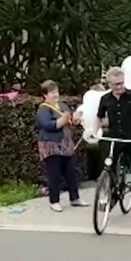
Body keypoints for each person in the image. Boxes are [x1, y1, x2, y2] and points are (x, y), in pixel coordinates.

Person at [93, 67, 131, 223]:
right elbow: (99, 118)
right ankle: (112, 196)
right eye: (115, 84)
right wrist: (94, 132)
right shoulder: (105, 99)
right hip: (114, 139)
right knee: (109, 168)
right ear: (109, 84)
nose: (119, 87)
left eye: (121, 83)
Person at [37, 80, 88, 212]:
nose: (55, 95)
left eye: (56, 92)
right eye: (52, 92)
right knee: (54, 174)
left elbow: (70, 121)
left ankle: (75, 198)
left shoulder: (63, 106)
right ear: (45, 95)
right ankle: (54, 201)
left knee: (71, 172)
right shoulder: (43, 109)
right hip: (50, 145)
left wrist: (75, 119)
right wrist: (62, 120)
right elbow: (48, 125)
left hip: (66, 145)